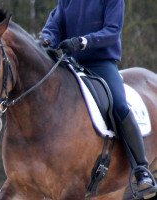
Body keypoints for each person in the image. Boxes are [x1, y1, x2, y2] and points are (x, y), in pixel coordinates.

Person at [41, 0, 157, 197]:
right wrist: (47, 39)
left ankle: (141, 169)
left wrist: (83, 41)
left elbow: (112, 31)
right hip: (70, 65)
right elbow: (53, 25)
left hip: (101, 64)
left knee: (119, 105)